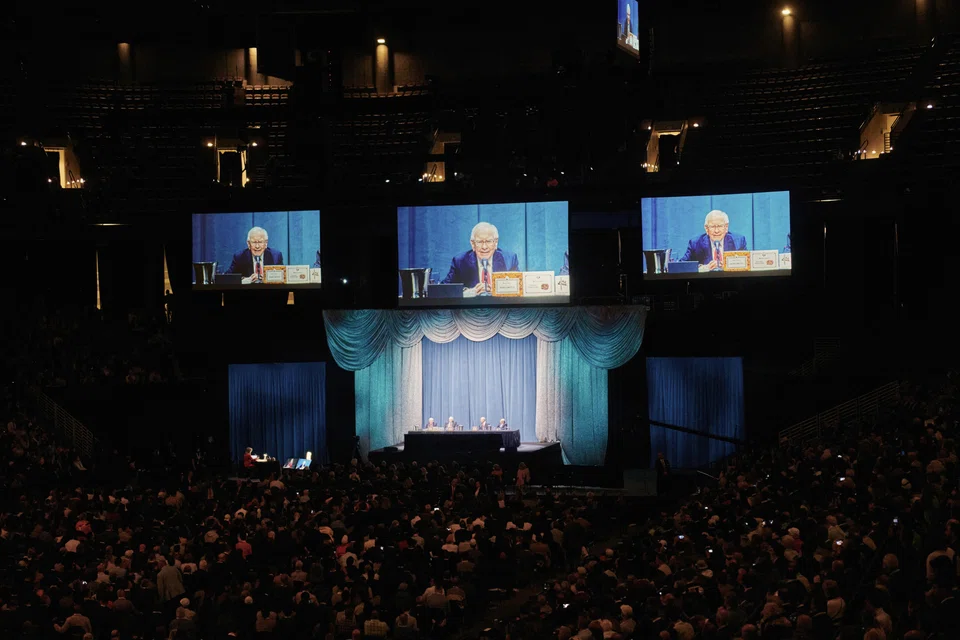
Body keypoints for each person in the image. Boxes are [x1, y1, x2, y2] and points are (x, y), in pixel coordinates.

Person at [442, 222, 519, 296]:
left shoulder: (509, 259)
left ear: (495, 243)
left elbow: (519, 287)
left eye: (488, 241)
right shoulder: (460, 261)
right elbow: (444, 290)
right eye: (479, 242)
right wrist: (468, 293)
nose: (484, 247)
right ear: (473, 244)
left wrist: (497, 291)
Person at [680, 210, 747, 272]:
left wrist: (729, 266)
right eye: (712, 227)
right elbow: (681, 266)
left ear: (726, 227)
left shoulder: (738, 241)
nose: (716, 231)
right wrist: (703, 268)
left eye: (720, 226)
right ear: (706, 228)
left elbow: (747, 264)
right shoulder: (695, 243)